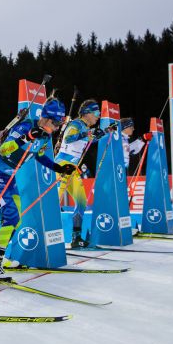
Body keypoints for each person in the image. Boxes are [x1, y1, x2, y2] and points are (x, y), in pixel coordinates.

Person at [0, 97, 74, 279]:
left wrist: (59, 168)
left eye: (59, 124)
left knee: (15, 221)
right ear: (45, 118)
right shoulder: (25, 127)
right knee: (11, 216)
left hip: (9, 178)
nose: (56, 128)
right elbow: (4, 149)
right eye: (55, 123)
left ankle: (2, 258)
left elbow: (39, 155)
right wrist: (27, 137)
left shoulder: (46, 136)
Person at [55, 99, 109, 248]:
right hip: (62, 166)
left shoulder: (84, 127)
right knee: (54, 202)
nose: (98, 116)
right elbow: (68, 138)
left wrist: (105, 131)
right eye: (96, 113)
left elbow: (90, 139)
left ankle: (76, 237)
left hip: (73, 168)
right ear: (87, 113)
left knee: (81, 202)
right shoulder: (76, 124)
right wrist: (89, 133)